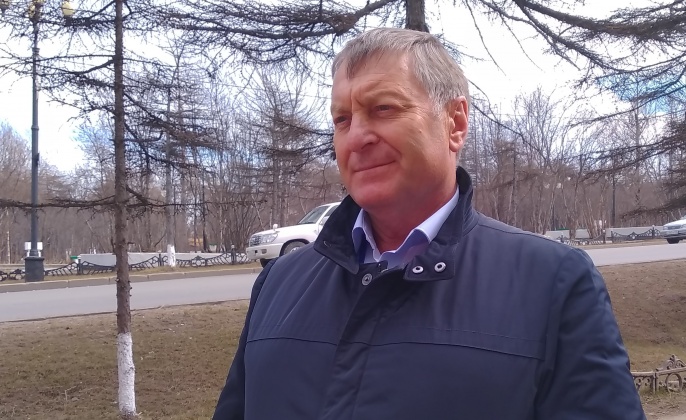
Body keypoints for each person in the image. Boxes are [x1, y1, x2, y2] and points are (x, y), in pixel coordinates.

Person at [213, 27, 646, 420]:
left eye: (383, 108)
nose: (356, 137)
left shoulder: (554, 283)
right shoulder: (278, 283)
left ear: (455, 123)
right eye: (342, 119)